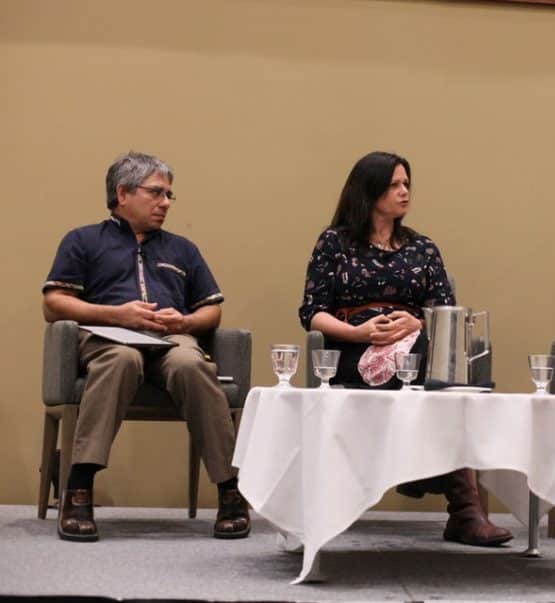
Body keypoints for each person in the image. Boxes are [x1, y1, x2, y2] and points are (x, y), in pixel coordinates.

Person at [298, 150, 512, 547]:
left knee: (436, 359)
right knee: (437, 379)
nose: (404, 192)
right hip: (352, 350)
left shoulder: (423, 248)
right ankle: (458, 503)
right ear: (369, 190)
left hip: (418, 346)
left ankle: (447, 492)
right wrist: (361, 333)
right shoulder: (335, 243)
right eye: (395, 184)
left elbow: (445, 310)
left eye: (407, 184)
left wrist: (415, 323)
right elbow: (313, 314)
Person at [42, 151, 250, 542]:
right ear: (123, 193)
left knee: (193, 366)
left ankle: (230, 491)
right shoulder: (82, 240)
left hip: (171, 340)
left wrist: (185, 322)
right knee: (121, 359)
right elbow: (54, 302)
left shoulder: (182, 249)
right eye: (156, 193)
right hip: (108, 338)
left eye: (169, 195)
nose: (165, 203)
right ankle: (79, 488)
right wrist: (116, 315)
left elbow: (212, 310)